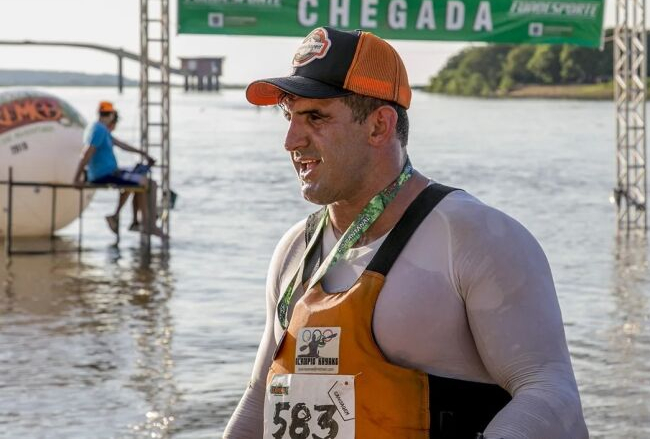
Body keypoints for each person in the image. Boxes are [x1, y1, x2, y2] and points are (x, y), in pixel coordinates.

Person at [224, 27, 588, 438]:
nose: (290, 140)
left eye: (316, 117)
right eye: (289, 116)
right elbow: (261, 397)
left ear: (379, 126)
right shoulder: (294, 250)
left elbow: (550, 392)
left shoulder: (474, 237)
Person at [73, 101, 163, 237]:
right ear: (110, 115)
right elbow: (87, 153)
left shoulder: (100, 129)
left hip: (111, 172)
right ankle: (148, 224)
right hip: (103, 175)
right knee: (145, 182)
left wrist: (143, 154)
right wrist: (77, 178)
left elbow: (122, 145)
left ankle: (133, 221)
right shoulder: (98, 130)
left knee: (137, 177)